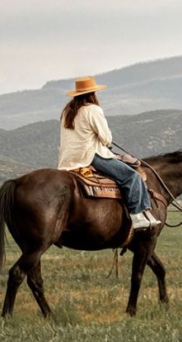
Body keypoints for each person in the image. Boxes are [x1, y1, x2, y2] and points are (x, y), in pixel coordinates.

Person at [58, 77, 160, 231]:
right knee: (131, 176)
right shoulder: (92, 109)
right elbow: (106, 138)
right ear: (93, 93)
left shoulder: (67, 111)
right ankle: (137, 215)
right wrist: (105, 142)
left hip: (68, 159)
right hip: (90, 155)